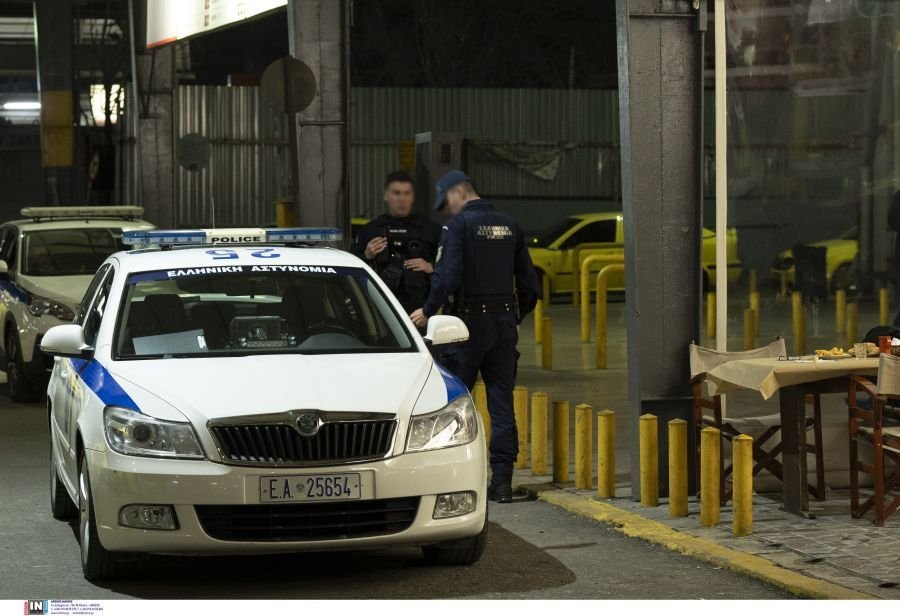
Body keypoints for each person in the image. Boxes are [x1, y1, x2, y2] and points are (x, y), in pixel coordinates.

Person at [410, 170, 539, 503]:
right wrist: (517, 317)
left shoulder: (458, 227)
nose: (448, 209)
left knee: (453, 402)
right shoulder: (510, 225)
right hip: (503, 324)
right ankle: (503, 482)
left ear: (459, 192)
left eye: (447, 201)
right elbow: (530, 284)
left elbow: (447, 276)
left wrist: (428, 309)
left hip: (465, 327)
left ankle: (451, 479)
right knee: (501, 403)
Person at [352, 171, 442, 314]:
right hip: (380, 307)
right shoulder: (370, 231)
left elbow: (452, 269)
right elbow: (351, 270)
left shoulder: (431, 230)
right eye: (396, 193)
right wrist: (366, 255)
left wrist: (431, 268)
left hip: (421, 310)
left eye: (407, 193)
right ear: (386, 195)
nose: (402, 199)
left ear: (413, 197)